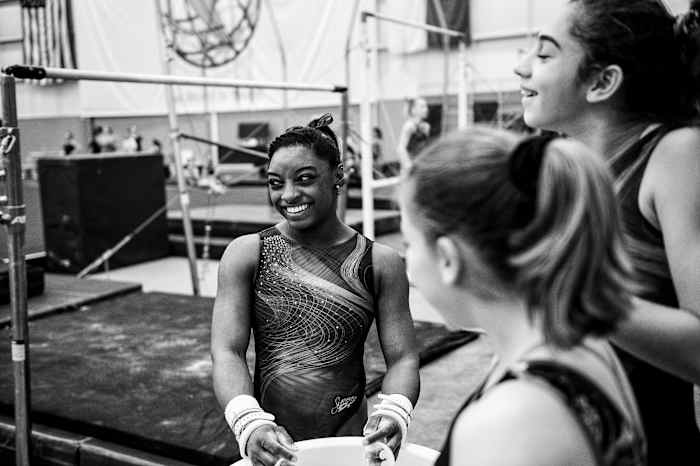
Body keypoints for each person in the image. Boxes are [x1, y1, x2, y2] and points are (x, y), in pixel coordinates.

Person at [514, 1, 700, 463]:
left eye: (543, 56)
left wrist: (573, 290)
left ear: (601, 82)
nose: (521, 68)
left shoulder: (674, 155)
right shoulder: (559, 162)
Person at [400, 126, 645, 465]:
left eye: (409, 244)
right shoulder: (573, 340)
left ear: (447, 259)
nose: (407, 260)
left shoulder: (511, 421)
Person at [211, 113, 420, 466]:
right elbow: (227, 350)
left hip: (352, 444)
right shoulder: (249, 254)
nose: (289, 194)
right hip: (273, 444)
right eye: (276, 183)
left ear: (338, 176)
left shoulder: (380, 262)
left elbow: (403, 357)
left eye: (304, 179)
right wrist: (248, 421)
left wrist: (395, 411)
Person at [396, 97, 430, 171]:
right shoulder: (409, 126)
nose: (426, 109)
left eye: (426, 106)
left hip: (422, 166)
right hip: (411, 166)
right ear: (414, 110)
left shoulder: (426, 126)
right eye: (422, 107)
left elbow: (424, 148)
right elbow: (400, 148)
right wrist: (409, 165)